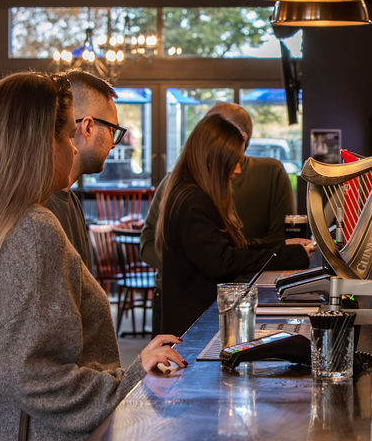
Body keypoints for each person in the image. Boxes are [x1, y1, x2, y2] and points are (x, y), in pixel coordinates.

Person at [0, 72, 185, 441]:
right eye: (66, 135)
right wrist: (127, 383)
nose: (72, 146)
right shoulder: (33, 228)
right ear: (38, 144)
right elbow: (28, 374)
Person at [155, 113, 313, 336]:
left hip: (198, 321)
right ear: (214, 160)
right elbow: (223, 262)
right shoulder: (193, 201)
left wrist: (284, 246)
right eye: (234, 161)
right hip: (193, 328)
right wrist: (290, 255)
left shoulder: (191, 194)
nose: (238, 169)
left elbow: (230, 250)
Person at [140, 102, 296, 268]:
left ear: (241, 137)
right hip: (192, 282)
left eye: (215, 130)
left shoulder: (270, 172)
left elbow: (282, 236)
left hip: (242, 278)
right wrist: (189, 267)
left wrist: (236, 254)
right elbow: (148, 242)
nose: (203, 135)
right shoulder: (182, 186)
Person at [43, 69, 126, 269]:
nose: (113, 144)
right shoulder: (39, 208)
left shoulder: (70, 200)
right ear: (87, 127)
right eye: (112, 130)